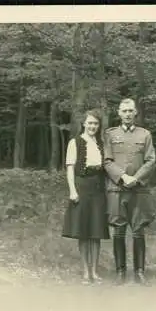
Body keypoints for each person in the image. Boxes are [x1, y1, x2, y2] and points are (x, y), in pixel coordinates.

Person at [103, 98, 156, 285]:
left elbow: (150, 160)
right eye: (124, 111)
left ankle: (140, 272)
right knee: (118, 231)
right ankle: (120, 272)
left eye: (130, 111)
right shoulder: (110, 135)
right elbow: (107, 161)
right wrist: (123, 177)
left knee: (138, 231)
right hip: (117, 189)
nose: (127, 114)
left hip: (138, 190)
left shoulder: (145, 135)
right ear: (118, 113)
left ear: (135, 113)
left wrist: (136, 178)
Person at [62, 109, 110, 285]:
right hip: (82, 186)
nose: (92, 126)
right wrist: (72, 191)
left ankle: (95, 272)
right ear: (83, 124)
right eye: (90, 123)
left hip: (98, 188)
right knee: (83, 231)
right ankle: (85, 272)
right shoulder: (75, 143)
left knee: (96, 231)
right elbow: (69, 168)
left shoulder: (101, 143)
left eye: (96, 124)